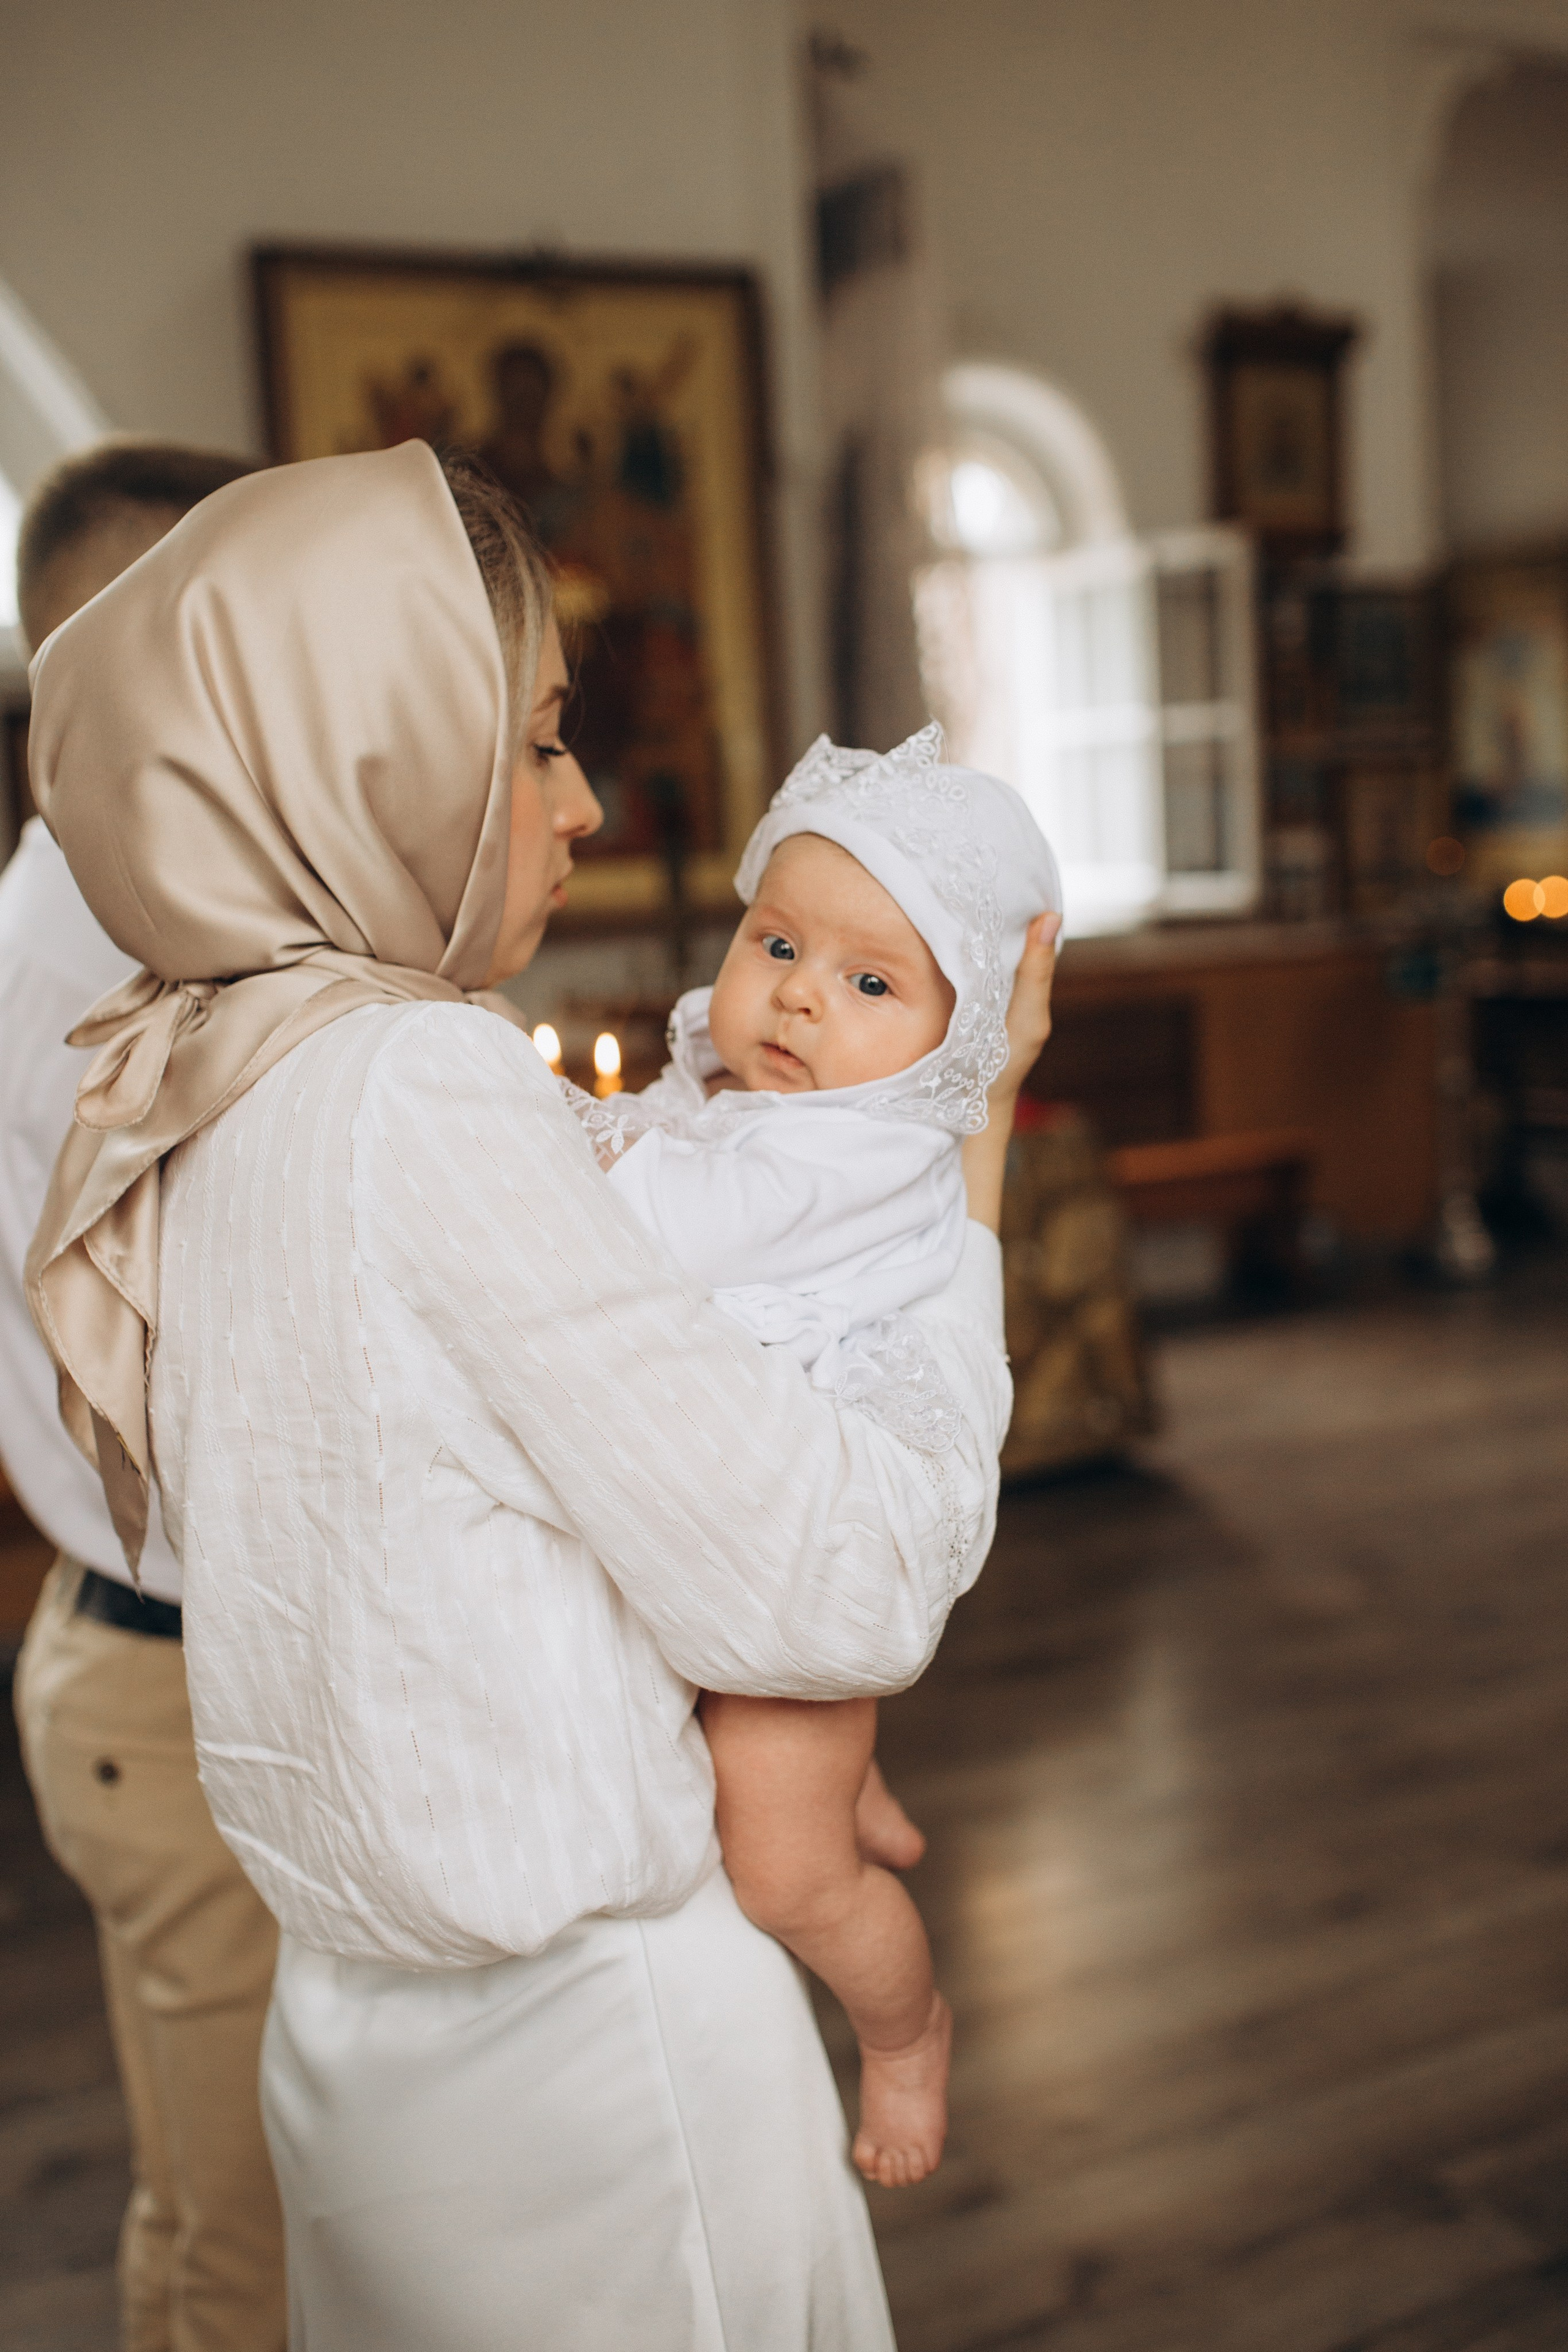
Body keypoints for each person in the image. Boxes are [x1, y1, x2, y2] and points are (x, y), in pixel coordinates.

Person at [25, 439, 1056, 2350]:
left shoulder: (227, 1069)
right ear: (375, 745)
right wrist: (966, 1143)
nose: (582, 803)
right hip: (591, 2062)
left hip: (357, 2038)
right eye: (538, 739)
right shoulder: (421, 1087)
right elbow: (841, 1585)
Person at [581, 725, 1061, 2188]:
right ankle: (852, 1780)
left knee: (786, 1875)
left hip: (786, 1579)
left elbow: (645, 1228)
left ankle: (905, 2029)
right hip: (709, 1541)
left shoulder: (862, 1148)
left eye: (869, 983)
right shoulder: (752, 1102)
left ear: (954, 1043)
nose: (796, 993)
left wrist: (545, 1145)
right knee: (781, 1779)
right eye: (777, 943)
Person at [2, 440, 287, 2352]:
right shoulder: (101, 955)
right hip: (177, 1687)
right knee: (243, 2249)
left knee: (228, 2204)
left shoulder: (105, 902)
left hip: (154, 1659)